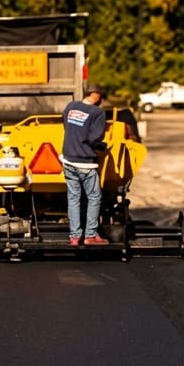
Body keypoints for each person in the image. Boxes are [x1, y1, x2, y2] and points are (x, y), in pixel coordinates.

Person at [61, 83, 109, 246]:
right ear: (95, 94)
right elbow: (94, 138)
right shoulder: (97, 113)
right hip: (85, 163)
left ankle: (74, 237)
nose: (101, 101)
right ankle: (90, 235)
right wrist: (101, 146)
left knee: (73, 198)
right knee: (94, 197)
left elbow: (67, 126)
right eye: (101, 96)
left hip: (68, 160)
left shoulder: (71, 106)